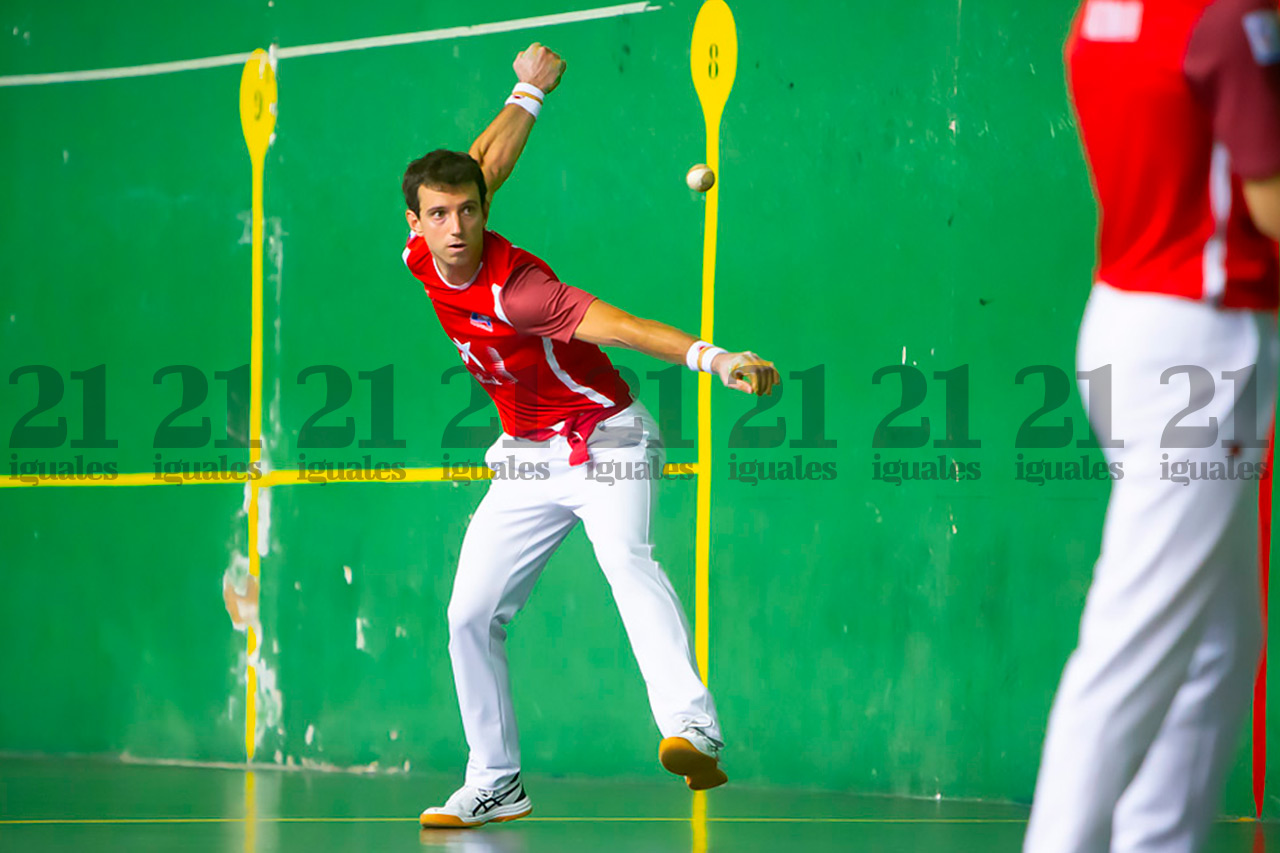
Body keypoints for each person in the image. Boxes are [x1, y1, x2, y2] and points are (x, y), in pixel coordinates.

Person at [402, 43, 780, 829]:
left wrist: (717, 359)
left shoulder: (521, 291)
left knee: (625, 560)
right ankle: (495, 779)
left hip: (607, 439)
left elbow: (627, 327)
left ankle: (693, 726)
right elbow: (482, 164)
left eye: (468, 211)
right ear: (418, 223)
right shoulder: (424, 255)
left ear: (484, 213)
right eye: (439, 214)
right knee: (469, 614)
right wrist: (526, 92)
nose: (457, 225)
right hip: (527, 458)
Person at [1024, 1, 1280, 850]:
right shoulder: (1227, 22)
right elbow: (1270, 201)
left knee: (1220, 640)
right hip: (1202, 347)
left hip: (1128, 322)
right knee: (1135, 642)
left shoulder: (1099, 17)